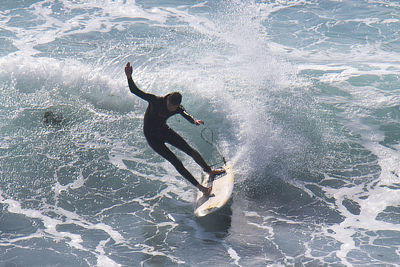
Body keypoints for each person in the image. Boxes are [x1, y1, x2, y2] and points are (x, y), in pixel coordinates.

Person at [125, 62, 224, 196]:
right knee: (176, 162)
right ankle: (201, 188)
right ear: (167, 100)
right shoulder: (155, 100)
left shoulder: (177, 107)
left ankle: (209, 171)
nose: (172, 109)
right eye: (171, 107)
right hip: (152, 137)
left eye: (175, 107)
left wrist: (193, 121)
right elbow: (135, 91)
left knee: (190, 151)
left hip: (164, 130)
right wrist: (129, 77)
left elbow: (184, 114)